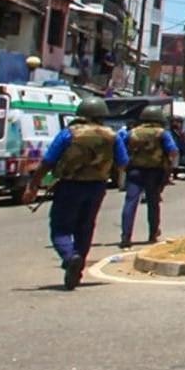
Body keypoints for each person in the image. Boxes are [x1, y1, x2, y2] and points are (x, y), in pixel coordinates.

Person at [40, 97, 127, 290]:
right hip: (97, 186)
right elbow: (123, 162)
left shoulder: (69, 134)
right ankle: (77, 268)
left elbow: (48, 160)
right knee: (85, 227)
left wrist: (33, 185)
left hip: (69, 185)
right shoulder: (113, 136)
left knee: (60, 228)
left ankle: (71, 257)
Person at [118, 106, 178, 248]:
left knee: (130, 202)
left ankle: (126, 236)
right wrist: (168, 164)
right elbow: (173, 150)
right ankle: (152, 233)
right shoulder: (162, 133)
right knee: (153, 203)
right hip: (154, 171)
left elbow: (121, 148)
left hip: (134, 170)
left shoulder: (132, 133)